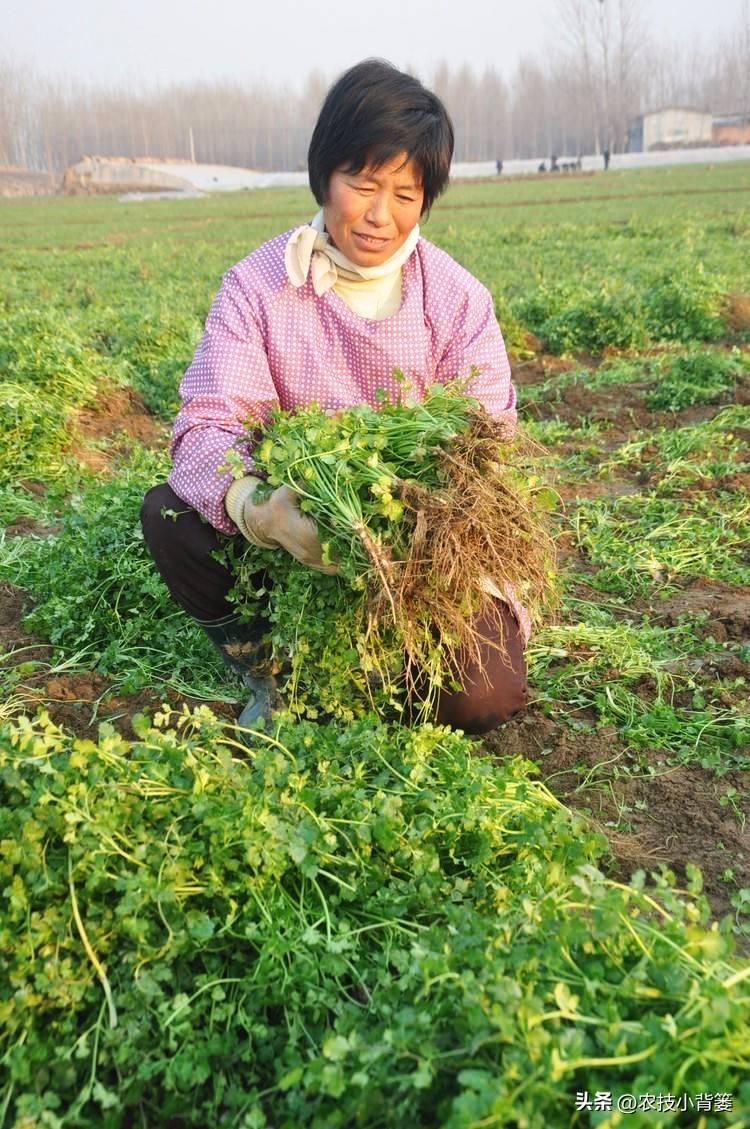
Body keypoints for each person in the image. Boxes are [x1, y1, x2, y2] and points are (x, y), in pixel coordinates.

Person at [140, 59, 529, 736]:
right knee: (170, 512)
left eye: (405, 194)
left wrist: (418, 527)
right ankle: (274, 671)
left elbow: (487, 439)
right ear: (324, 175)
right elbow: (206, 425)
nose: (381, 215)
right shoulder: (258, 286)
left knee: (480, 700)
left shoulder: (458, 299)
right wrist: (266, 513)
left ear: (426, 201)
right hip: (292, 542)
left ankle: (382, 664)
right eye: (363, 184)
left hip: (419, 555)